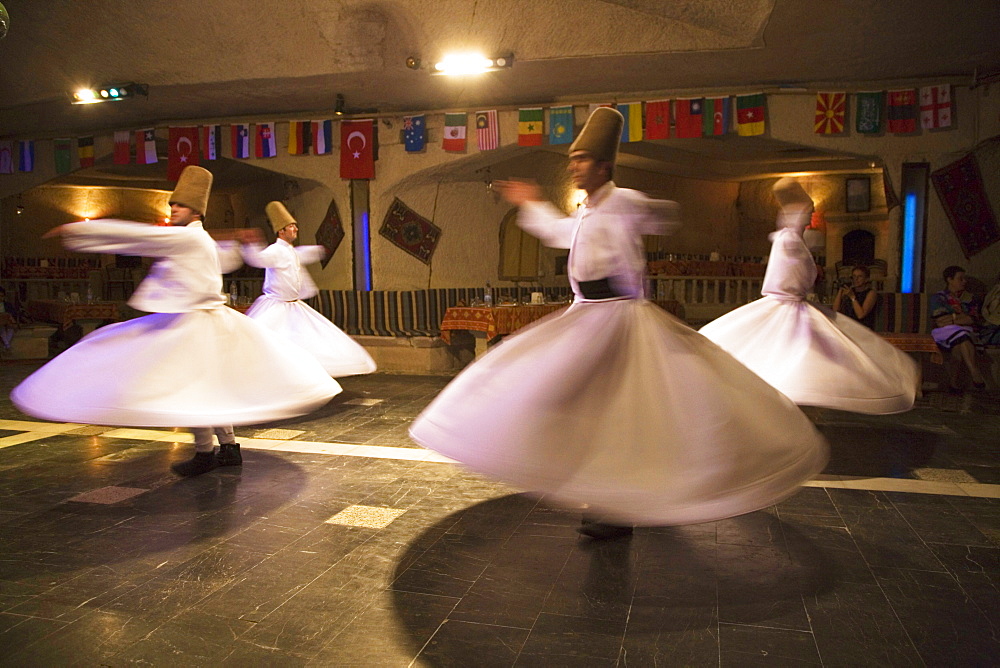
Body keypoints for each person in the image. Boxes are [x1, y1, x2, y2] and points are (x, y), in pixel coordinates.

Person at [409, 107, 828, 540]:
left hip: (620, 317)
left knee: (620, 410)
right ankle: (601, 496)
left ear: (603, 166)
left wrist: (658, 214)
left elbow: (662, 216)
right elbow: (560, 233)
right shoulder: (586, 211)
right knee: (581, 405)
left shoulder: (622, 201)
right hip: (587, 315)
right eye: (572, 160)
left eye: (582, 160)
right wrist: (530, 202)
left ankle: (623, 499)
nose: (573, 168)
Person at [10, 166, 342, 476]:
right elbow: (224, 259)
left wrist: (80, 231)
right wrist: (236, 241)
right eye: (173, 205)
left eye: (179, 206)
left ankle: (205, 452)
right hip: (206, 321)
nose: (173, 211)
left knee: (191, 389)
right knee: (207, 388)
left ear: (196, 211)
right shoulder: (202, 240)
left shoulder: (188, 238)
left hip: (196, 324)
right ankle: (227, 447)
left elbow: (140, 238)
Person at [700, 178, 919, 414]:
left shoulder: (793, 239)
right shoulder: (788, 240)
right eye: (809, 209)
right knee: (791, 357)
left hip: (794, 304)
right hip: (787, 306)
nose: (812, 213)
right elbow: (785, 278)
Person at [239, 202, 376, 377]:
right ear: (281, 231)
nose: (296, 229)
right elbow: (259, 259)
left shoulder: (291, 251)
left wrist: (316, 251)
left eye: (295, 226)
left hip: (293, 306)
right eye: (291, 226)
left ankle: (298, 376)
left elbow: (301, 254)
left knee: (306, 341)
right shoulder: (276, 250)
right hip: (276, 306)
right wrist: (250, 245)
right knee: (268, 345)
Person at [930, 265, 987, 392]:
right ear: (949, 280)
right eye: (960, 279)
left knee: (959, 340)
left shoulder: (970, 298)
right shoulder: (939, 297)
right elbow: (940, 321)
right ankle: (974, 371)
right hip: (944, 332)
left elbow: (973, 318)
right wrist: (960, 317)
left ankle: (953, 384)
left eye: (964, 279)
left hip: (964, 331)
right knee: (961, 334)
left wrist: (952, 318)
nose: (964, 281)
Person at [832, 264, 877, 328]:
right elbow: (835, 310)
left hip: (863, 327)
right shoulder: (850, 291)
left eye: (860, 276)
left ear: (866, 279)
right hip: (848, 326)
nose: (856, 279)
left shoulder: (871, 293)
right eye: (854, 276)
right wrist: (841, 290)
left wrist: (852, 297)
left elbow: (860, 315)